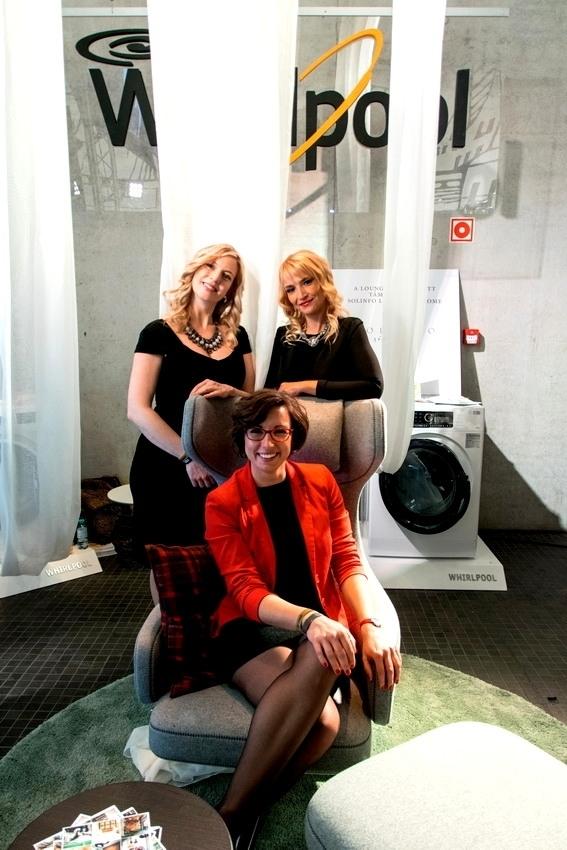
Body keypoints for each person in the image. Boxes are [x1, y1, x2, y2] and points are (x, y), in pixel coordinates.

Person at [205, 390, 401, 846]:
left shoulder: (320, 481)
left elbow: (347, 560)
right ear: (242, 437)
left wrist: (367, 625)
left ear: (294, 437)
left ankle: (234, 815)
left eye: (279, 432)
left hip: (318, 631)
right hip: (252, 629)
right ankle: (232, 816)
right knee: (325, 719)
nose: (267, 443)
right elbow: (246, 591)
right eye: (256, 432)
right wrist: (310, 620)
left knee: (326, 698)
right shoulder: (223, 502)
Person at [127, 243, 255, 551]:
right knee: (168, 564)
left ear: (230, 290)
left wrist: (233, 392)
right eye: (210, 266)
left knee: (221, 558)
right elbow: (137, 409)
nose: (216, 278)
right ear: (195, 269)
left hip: (223, 465)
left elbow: (251, 404)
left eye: (226, 276)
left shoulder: (239, 337)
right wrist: (188, 456)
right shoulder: (157, 333)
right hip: (166, 463)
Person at [264, 249, 383, 400]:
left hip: (334, 416)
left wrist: (304, 386)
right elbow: (269, 393)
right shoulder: (283, 335)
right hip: (291, 416)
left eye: (307, 282)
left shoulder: (350, 329)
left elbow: (374, 386)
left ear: (323, 280)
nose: (301, 295)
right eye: (291, 289)